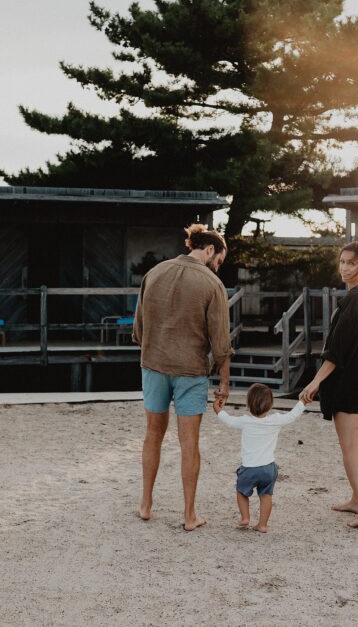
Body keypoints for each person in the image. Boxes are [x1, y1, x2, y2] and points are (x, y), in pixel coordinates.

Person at [132, 223, 233, 531]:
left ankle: (146, 504)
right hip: (190, 371)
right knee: (189, 442)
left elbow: (139, 329)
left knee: (153, 434)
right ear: (211, 249)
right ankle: (189, 515)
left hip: (154, 366)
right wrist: (225, 383)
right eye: (220, 260)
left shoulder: (155, 273)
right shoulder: (212, 284)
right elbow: (221, 342)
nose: (219, 266)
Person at [299, 241, 358, 528]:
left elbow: (337, 351)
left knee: (349, 446)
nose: (344, 267)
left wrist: (315, 382)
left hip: (353, 379)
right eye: (342, 262)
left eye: (351, 263)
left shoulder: (356, 300)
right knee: (357, 443)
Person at [214, 383, 311, 532]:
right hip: (268, 468)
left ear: (248, 404)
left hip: (249, 468)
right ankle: (263, 524)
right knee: (266, 495)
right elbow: (292, 415)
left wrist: (218, 409)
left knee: (241, 492)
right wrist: (302, 402)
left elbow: (228, 420)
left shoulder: (245, 421)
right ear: (271, 405)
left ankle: (245, 517)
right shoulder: (276, 420)